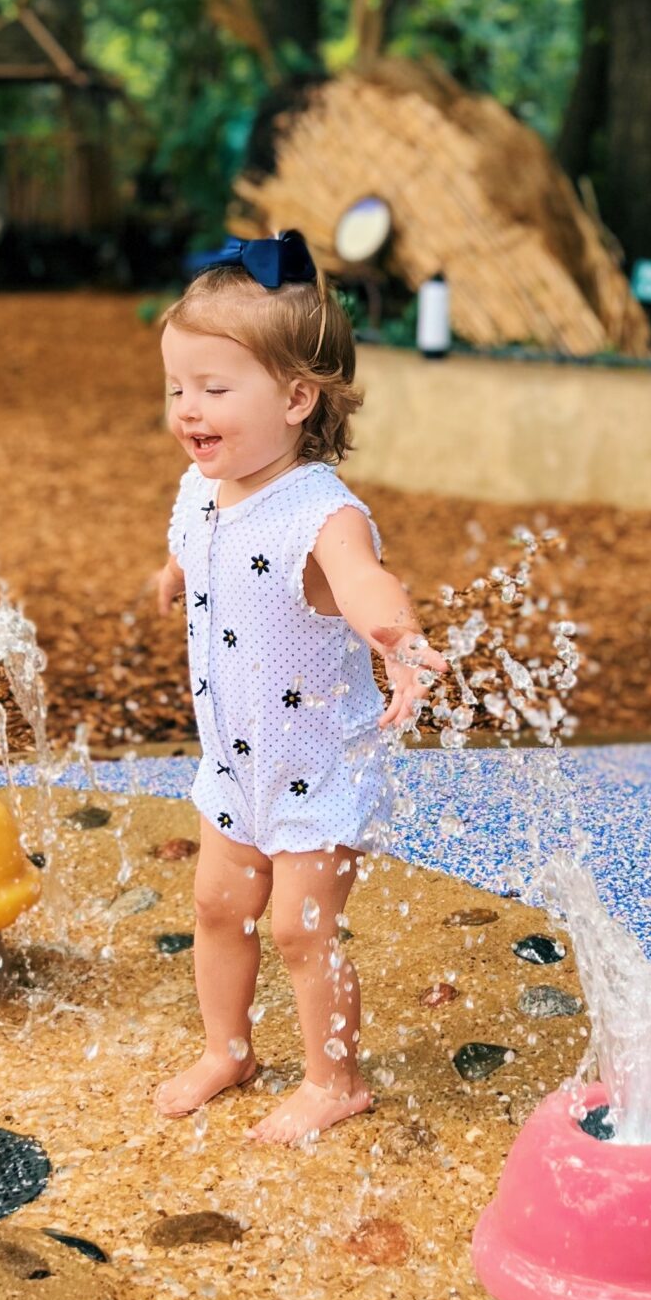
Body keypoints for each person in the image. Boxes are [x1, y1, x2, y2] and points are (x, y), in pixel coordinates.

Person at [150, 232, 446, 1145]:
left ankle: (334, 1079)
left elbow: (360, 581)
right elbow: (206, 541)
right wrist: (174, 569)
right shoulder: (208, 488)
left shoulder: (323, 509)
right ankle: (228, 1048)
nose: (188, 409)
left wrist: (392, 633)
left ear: (295, 397)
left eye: (213, 388)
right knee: (216, 907)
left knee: (298, 932)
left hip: (319, 771)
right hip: (236, 763)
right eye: (176, 388)